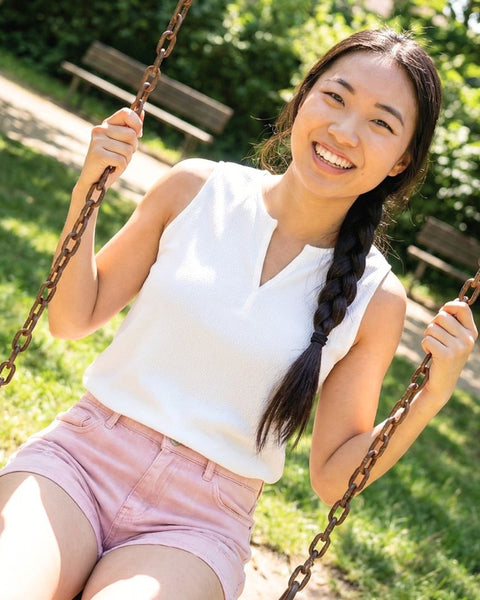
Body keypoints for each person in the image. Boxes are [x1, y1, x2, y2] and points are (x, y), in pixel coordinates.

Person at [0, 28, 477, 600]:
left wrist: (431, 396)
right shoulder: (195, 188)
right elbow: (71, 319)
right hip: (80, 460)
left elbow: (333, 478)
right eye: (336, 98)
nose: (345, 132)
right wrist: (88, 192)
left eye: (381, 122)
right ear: (303, 99)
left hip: (198, 523)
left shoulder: (376, 298)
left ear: (401, 159)